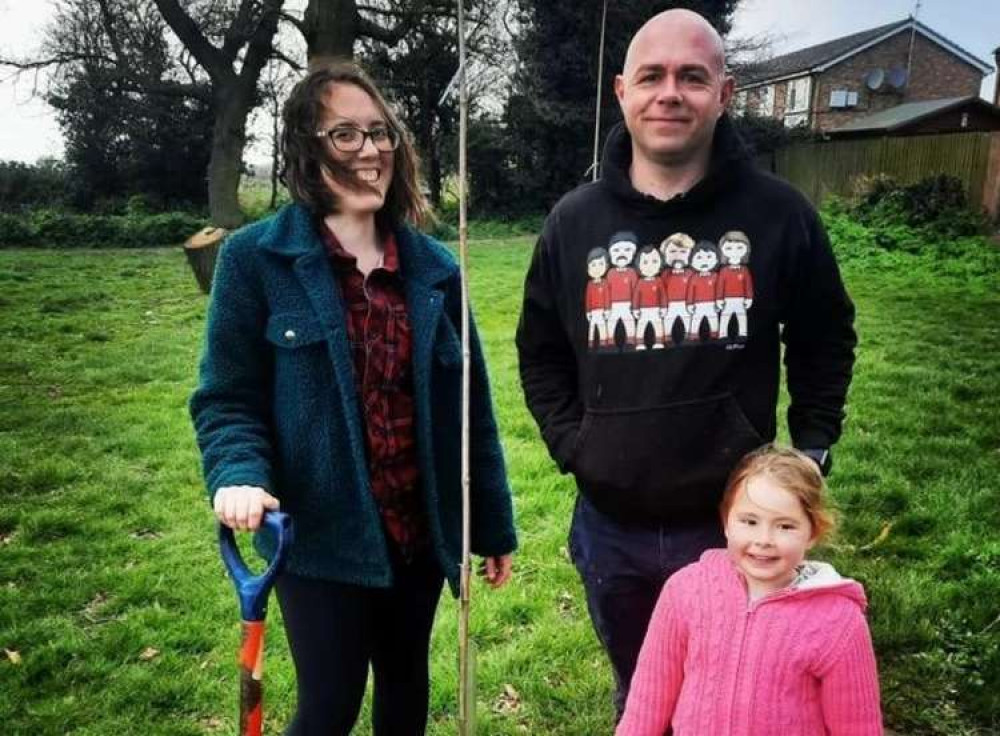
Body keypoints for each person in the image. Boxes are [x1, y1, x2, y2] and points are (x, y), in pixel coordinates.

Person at [515, 8, 856, 717]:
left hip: (734, 525)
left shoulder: (778, 213)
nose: (670, 92)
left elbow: (826, 334)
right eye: (652, 76)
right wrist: (575, 445)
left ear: (724, 94)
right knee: (644, 699)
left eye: (692, 77)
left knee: (738, 704)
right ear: (621, 92)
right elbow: (539, 350)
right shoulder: (573, 222)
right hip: (612, 525)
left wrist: (812, 444)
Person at [190, 62, 517, 736]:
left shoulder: (435, 266)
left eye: (380, 134)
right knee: (329, 705)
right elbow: (227, 395)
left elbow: (471, 409)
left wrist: (489, 523)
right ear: (307, 150)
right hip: (319, 536)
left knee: (406, 693)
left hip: (417, 533)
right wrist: (239, 473)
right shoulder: (255, 259)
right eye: (346, 135)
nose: (370, 151)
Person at [617, 445, 883, 735]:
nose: (764, 539)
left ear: (813, 533)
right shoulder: (684, 591)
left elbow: (858, 726)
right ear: (726, 522)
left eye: (785, 526)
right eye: (750, 521)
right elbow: (649, 696)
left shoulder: (840, 622)